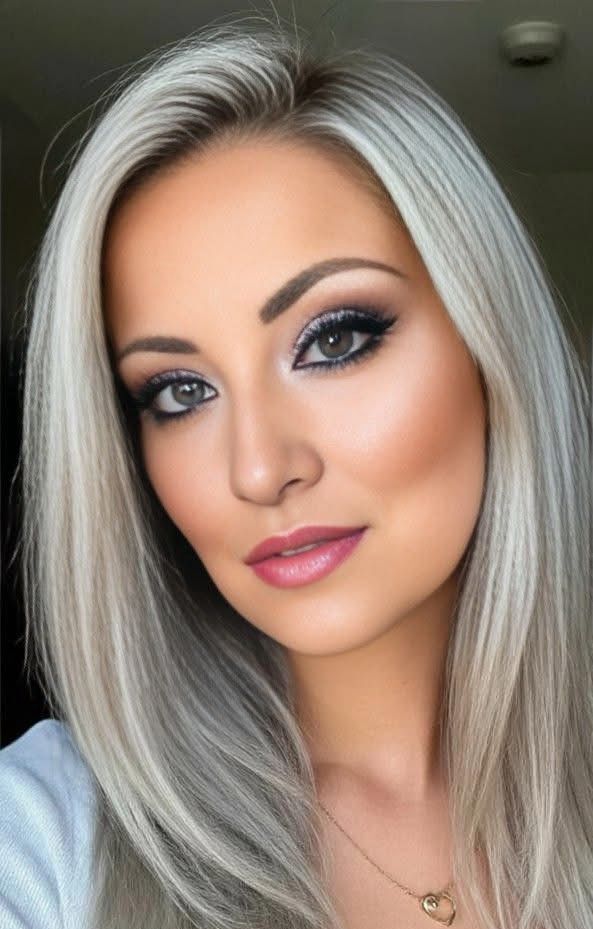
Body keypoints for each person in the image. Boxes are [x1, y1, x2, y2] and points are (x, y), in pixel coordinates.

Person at [1, 16, 591, 929]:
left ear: (489, 346)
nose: (258, 468)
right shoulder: (47, 832)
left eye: (334, 339)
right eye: (179, 390)